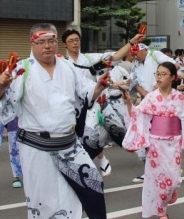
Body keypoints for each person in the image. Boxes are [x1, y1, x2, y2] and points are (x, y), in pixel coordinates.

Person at [0, 23, 109, 219]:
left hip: (68, 141)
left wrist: (99, 86)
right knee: (38, 199)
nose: (47, 46)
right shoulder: (22, 69)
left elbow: (85, 92)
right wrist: (1, 83)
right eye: (41, 42)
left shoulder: (66, 66)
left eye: (51, 41)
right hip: (35, 144)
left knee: (91, 181)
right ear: (32, 44)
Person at [122, 62, 184, 219]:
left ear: (173, 77)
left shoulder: (179, 97)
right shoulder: (151, 97)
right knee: (158, 180)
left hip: (173, 143)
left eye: (163, 74)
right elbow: (138, 114)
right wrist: (128, 103)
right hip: (156, 143)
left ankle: (170, 191)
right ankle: (162, 214)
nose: (159, 77)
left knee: (171, 179)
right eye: (157, 74)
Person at [61, 29, 143, 177]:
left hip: (93, 105)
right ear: (65, 45)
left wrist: (132, 41)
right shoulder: (61, 62)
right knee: (81, 141)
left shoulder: (88, 58)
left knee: (100, 134)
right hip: (73, 108)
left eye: (77, 40)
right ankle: (96, 162)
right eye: (71, 41)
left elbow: (115, 56)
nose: (75, 43)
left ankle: (135, 151)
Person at [130, 43, 176, 183]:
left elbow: (173, 66)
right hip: (146, 100)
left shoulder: (154, 55)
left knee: (162, 137)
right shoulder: (136, 63)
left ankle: (170, 169)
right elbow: (134, 81)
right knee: (143, 134)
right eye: (133, 53)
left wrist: (159, 85)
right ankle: (148, 170)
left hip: (161, 100)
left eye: (137, 52)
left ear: (143, 50)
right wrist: (145, 94)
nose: (135, 56)